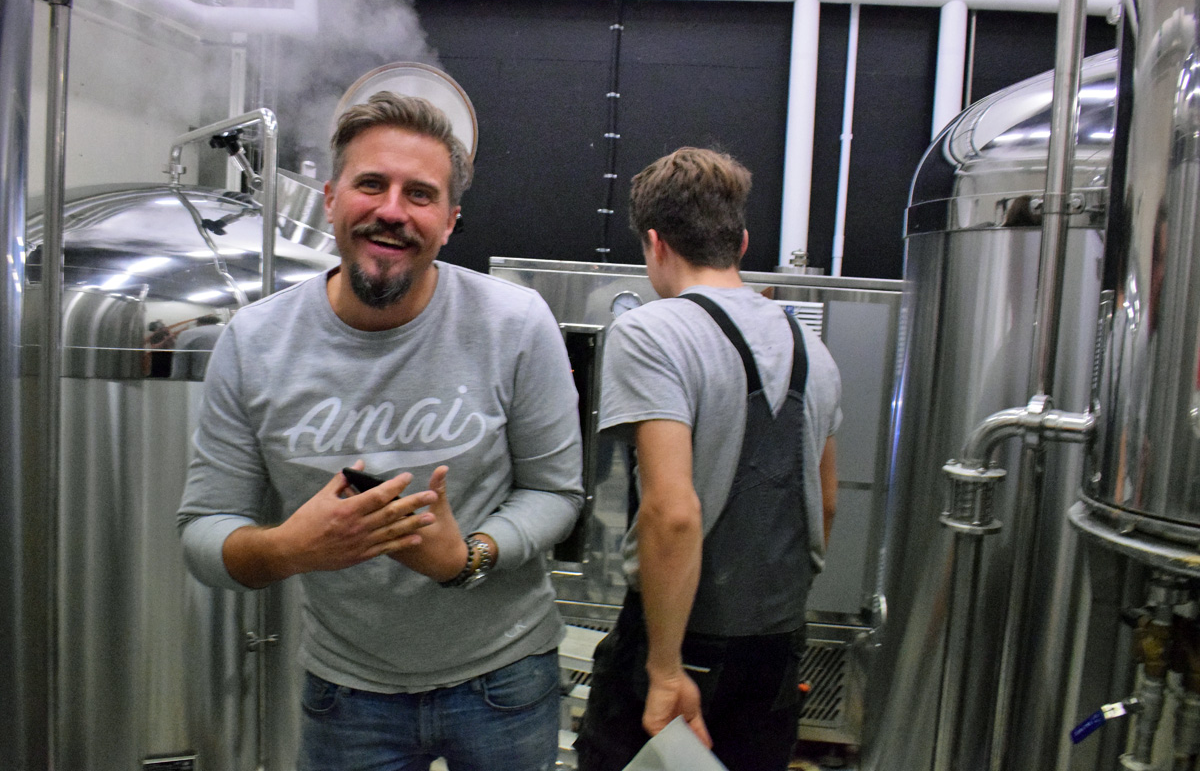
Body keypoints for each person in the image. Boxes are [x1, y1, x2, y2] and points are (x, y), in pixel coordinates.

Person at [177, 92, 583, 771]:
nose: (392, 209)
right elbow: (201, 531)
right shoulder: (255, 342)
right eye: (371, 184)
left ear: (449, 222)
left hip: (505, 679)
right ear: (330, 199)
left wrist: (468, 557)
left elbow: (556, 493)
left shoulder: (515, 323)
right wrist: (288, 549)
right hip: (348, 696)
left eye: (420, 194)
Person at [574, 147, 841, 771]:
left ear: (655, 242)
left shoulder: (653, 331)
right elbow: (826, 504)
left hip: (682, 644)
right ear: (740, 242)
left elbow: (673, 513)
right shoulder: (813, 349)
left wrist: (666, 668)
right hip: (777, 650)